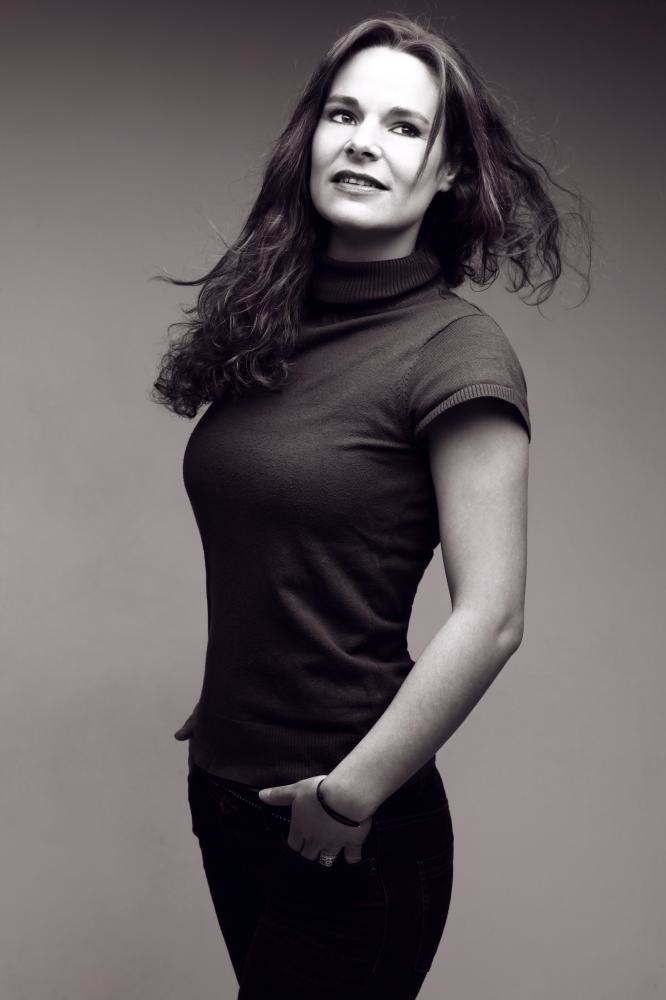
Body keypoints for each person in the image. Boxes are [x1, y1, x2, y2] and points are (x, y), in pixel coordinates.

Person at [152, 13, 590, 999]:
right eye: (343, 114)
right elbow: (277, 538)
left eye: (403, 126)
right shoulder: (271, 326)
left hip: (347, 821)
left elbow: (493, 616)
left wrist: (351, 795)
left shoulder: (455, 352)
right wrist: (240, 699)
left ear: (449, 173)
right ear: (309, 138)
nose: (362, 141)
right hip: (228, 792)